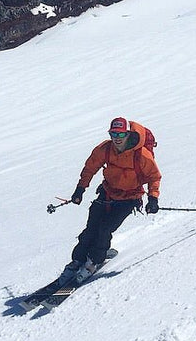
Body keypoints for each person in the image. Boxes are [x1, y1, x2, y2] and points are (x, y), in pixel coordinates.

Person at [59, 117, 161, 284]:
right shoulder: (105, 149)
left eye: (120, 134)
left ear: (128, 134)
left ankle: (94, 261)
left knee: (105, 229)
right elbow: (90, 168)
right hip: (108, 193)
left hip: (129, 198)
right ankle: (77, 260)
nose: (116, 138)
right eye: (113, 133)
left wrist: (153, 198)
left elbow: (154, 176)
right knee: (91, 227)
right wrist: (80, 189)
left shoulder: (141, 155)